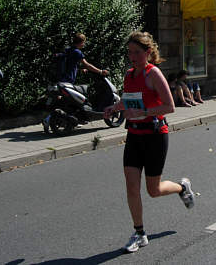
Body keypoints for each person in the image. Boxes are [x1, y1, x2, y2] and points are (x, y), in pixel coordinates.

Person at [104, 31, 195, 253]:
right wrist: (114, 108)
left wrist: (144, 111)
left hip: (155, 136)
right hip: (134, 136)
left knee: (153, 190)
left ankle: (182, 187)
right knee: (131, 187)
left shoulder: (153, 74)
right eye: (129, 52)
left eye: (136, 52)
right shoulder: (129, 74)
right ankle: (139, 233)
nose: (132, 56)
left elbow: (169, 106)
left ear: (148, 52)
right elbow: (128, 101)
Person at [42, 33, 109, 129]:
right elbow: (87, 64)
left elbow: (69, 64)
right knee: (76, 100)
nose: (84, 44)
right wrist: (100, 71)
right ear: (81, 42)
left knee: (68, 103)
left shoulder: (68, 50)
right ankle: (49, 119)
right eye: (84, 42)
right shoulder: (77, 52)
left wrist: (80, 70)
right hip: (67, 81)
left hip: (61, 79)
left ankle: (74, 121)